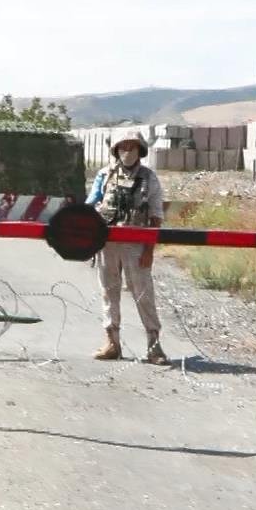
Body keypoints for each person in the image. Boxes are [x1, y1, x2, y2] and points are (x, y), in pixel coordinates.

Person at [86, 132, 169, 365]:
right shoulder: (105, 175)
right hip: (107, 242)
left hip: (136, 243)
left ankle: (154, 346)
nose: (128, 151)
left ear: (140, 150)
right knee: (109, 291)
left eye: (132, 147)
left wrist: (149, 251)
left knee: (143, 293)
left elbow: (156, 216)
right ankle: (112, 343)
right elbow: (91, 203)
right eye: (123, 147)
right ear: (116, 150)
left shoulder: (149, 178)